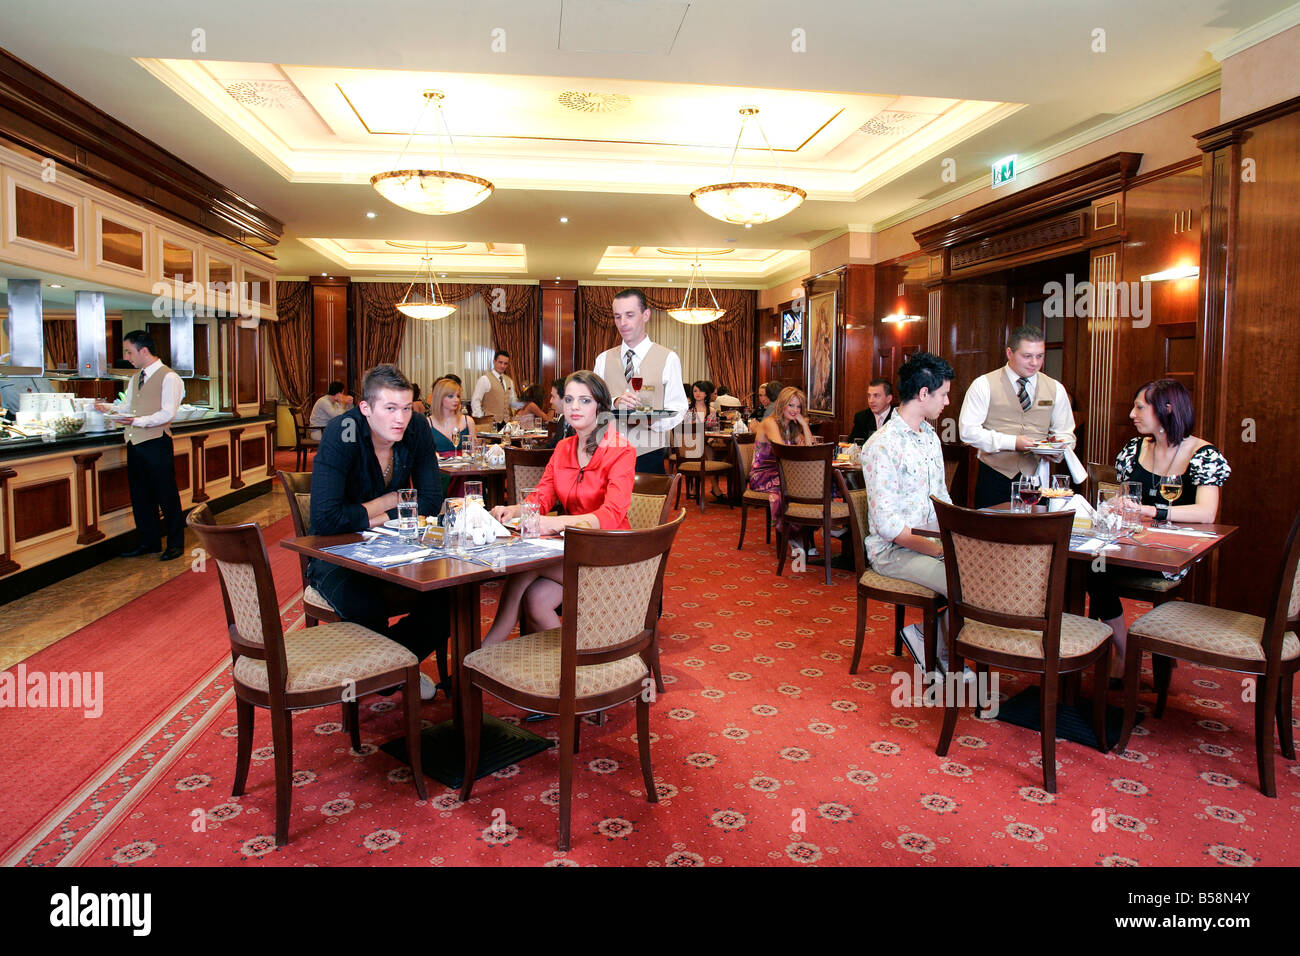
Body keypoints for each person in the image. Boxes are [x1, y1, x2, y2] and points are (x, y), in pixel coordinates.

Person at [307, 364, 447, 700]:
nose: (400, 418)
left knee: (450, 597)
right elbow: (326, 519)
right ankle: (396, 672)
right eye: (389, 408)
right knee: (365, 603)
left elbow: (429, 499)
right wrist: (388, 502)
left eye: (405, 407)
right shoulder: (342, 433)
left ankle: (389, 670)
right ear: (365, 409)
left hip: (395, 550)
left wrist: (370, 513)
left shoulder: (415, 428)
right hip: (334, 555)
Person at [1088, 378, 1230, 679]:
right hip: (1130, 545)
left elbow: (1206, 513)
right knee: (1089, 569)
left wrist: (1151, 510)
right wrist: (1119, 505)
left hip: (1170, 555)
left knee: (1096, 571)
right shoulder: (1134, 449)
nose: (1131, 414)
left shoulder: (1202, 454)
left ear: (1166, 409)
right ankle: (1122, 648)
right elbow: (1125, 498)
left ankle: (1124, 653)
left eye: (1140, 407)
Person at [484, 371, 636, 645]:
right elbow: (543, 495)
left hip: (608, 554)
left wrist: (555, 523)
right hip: (572, 548)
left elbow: (611, 515)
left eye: (584, 400)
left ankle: (483, 651)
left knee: (526, 567)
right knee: (536, 600)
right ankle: (575, 663)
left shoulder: (620, 450)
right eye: (569, 399)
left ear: (601, 408)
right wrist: (515, 510)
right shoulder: (564, 447)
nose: (574, 407)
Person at [862, 352, 955, 666]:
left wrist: (958, 540)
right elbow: (890, 528)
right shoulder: (882, 445)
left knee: (986, 574)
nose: (947, 401)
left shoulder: (929, 437)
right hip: (893, 552)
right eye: (943, 394)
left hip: (931, 544)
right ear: (924, 393)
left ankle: (929, 638)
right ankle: (936, 646)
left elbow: (942, 499)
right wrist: (938, 551)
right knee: (968, 584)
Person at [959, 325, 1076, 508]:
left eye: (1040, 356)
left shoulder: (1055, 388)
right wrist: (1013, 442)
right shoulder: (984, 384)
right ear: (1009, 353)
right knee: (992, 533)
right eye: (1027, 356)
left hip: (1036, 478)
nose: (1034, 363)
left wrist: (1057, 450)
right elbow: (968, 432)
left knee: (1034, 534)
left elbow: (1066, 433)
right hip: (994, 476)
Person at [97, 330, 185, 560]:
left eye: (129, 351)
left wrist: (137, 421)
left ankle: (176, 544)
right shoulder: (136, 378)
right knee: (141, 496)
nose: (127, 356)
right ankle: (149, 542)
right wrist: (109, 410)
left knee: (166, 495)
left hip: (156, 442)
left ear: (143, 350)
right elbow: (128, 407)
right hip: (135, 443)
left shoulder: (170, 377)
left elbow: (167, 414)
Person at [593, 288, 688, 474]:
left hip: (649, 454)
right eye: (617, 316)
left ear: (646, 315)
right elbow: (593, 403)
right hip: (608, 453)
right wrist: (615, 402)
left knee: (647, 503)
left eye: (629, 315)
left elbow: (678, 407)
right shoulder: (603, 359)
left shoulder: (668, 358)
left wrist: (652, 422)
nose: (623, 323)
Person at [747, 386, 815, 556]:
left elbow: (810, 450)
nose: (795, 410)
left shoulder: (791, 426)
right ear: (782, 405)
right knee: (788, 489)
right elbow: (783, 453)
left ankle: (810, 532)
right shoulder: (770, 423)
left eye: (798, 407)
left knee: (815, 487)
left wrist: (804, 426)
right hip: (763, 474)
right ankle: (792, 536)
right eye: (791, 405)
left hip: (784, 473)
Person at [427, 377, 476, 456]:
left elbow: (474, 453)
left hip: (464, 467)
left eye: (458, 396)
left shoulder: (468, 421)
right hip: (438, 467)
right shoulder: (428, 423)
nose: (456, 400)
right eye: (450, 396)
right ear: (439, 398)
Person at [470, 350, 517, 420]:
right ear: (494, 362)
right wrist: (481, 418)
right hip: (491, 423)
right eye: (500, 362)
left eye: (505, 363)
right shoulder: (484, 379)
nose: (502, 366)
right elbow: (475, 401)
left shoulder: (509, 381)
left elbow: (513, 400)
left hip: (507, 423)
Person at [849, 378, 895, 444]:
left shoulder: (898, 417)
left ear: (888, 399)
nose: (871, 401)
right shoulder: (861, 418)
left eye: (876, 396)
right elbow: (853, 445)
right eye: (869, 396)